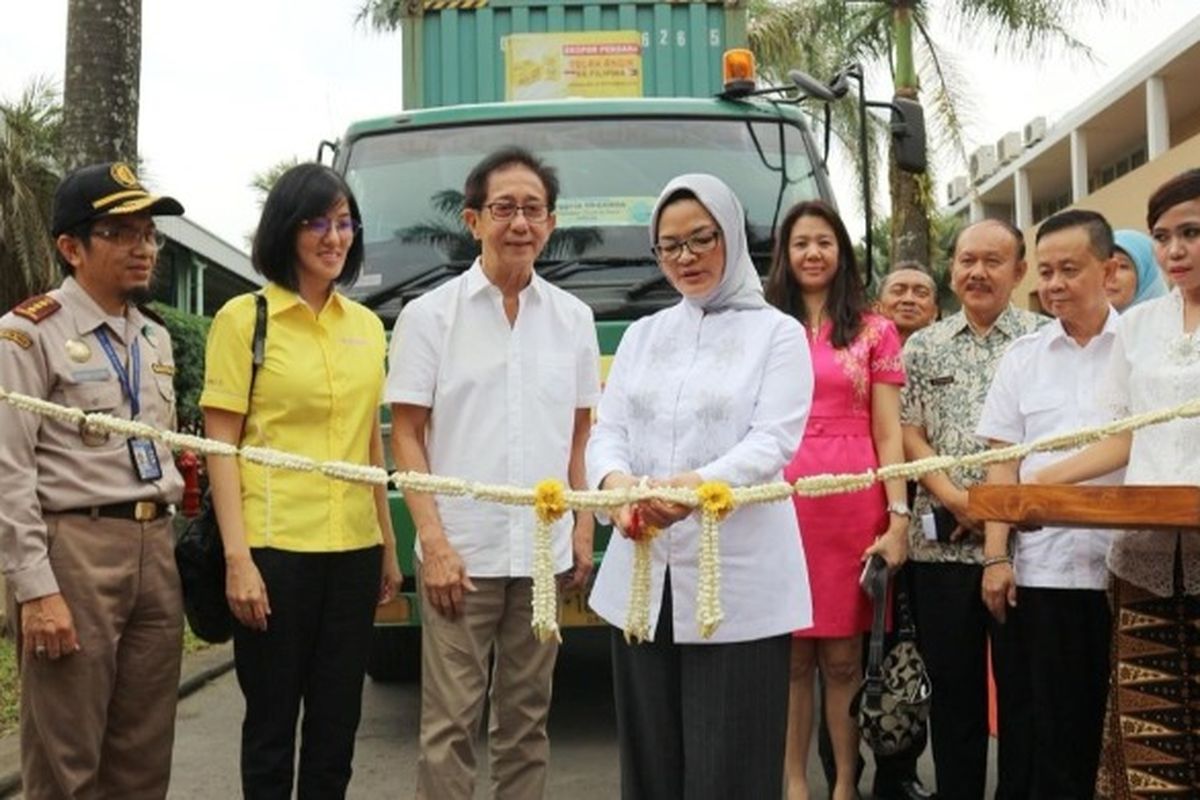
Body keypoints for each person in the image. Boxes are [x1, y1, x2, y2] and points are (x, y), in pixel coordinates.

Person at [586, 173, 813, 800]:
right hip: (643, 574)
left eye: (700, 239)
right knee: (650, 766)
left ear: (731, 235)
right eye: (669, 246)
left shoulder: (778, 334)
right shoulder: (644, 334)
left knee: (730, 765)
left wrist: (693, 487)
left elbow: (772, 442)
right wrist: (616, 485)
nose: (685, 257)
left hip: (734, 581)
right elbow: (608, 430)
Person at [386, 147, 600, 800]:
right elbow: (406, 435)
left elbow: (579, 435)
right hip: (462, 557)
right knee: (449, 725)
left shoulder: (573, 319)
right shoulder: (430, 316)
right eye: (504, 208)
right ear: (473, 219)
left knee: (527, 723)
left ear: (551, 222)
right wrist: (435, 544)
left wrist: (581, 530)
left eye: (533, 209)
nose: (520, 223)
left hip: (541, 556)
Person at [200, 163, 401, 798]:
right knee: (270, 728)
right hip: (275, 551)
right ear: (286, 229)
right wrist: (238, 561)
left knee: (336, 730)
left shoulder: (366, 327)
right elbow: (219, 448)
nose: (333, 237)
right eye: (317, 222)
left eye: (345, 223)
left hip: (354, 550)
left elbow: (368, 443)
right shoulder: (245, 319)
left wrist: (387, 547)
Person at [0, 162, 186, 797]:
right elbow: (8, 472)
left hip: (154, 548)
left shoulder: (154, 339)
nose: (143, 247)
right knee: (65, 759)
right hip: (75, 550)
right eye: (120, 232)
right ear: (71, 247)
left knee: (143, 756)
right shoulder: (27, 334)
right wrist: (35, 591)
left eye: (149, 233)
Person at [1032, 168, 1200, 798]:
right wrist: (1042, 485)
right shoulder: (1140, 324)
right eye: (1162, 236)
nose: (1175, 250)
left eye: (1191, 232)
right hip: (1146, 559)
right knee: (1150, 726)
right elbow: (1122, 436)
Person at [762, 200, 909, 800]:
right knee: (792, 657)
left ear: (842, 252)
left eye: (824, 242)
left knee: (846, 658)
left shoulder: (877, 330)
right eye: (801, 243)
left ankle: (846, 784)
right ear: (784, 254)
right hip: (780, 498)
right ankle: (795, 784)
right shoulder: (761, 325)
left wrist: (898, 517)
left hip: (853, 500)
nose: (813, 253)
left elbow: (889, 432)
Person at [977, 209, 1122, 798]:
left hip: (1125, 570)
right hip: (1043, 573)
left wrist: (1044, 487)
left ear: (1108, 270)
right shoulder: (1023, 358)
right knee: (1045, 732)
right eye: (1045, 272)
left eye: (1070, 269)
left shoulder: (1140, 349)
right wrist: (995, 556)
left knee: (1116, 730)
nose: (1054, 284)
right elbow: (1001, 463)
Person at [900, 218, 1045, 799]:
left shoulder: (1042, 339)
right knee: (953, 692)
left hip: (1024, 548)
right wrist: (960, 500)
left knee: (1022, 691)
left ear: (1019, 271)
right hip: (939, 546)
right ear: (952, 268)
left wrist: (998, 510)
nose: (977, 272)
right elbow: (908, 433)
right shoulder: (922, 345)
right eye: (967, 260)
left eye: (993, 261)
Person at [1106, 228, 1168, 312]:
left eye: (1123, 266)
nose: (1109, 275)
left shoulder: (1169, 319)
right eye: (1105, 266)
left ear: (1147, 276)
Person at [876, 261, 939, 341]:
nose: (909, 299)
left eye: (921, 293)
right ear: (877, 308)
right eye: (898, 291)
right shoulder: (863, 347)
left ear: (935, 312)